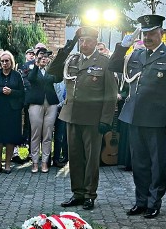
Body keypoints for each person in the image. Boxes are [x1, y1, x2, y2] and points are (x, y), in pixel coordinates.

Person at [109, 15, 166, 219]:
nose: (148, 37)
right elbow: (114, 66)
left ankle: (154, 202)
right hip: (135, 116)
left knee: (157, 163)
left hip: (158, 118)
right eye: (145, 34)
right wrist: (121, 47)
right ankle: (141, 200)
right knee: (139, 162)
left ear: (161, 32)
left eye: (152, 33)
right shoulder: (136, 54)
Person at [49, 27, 118, 211]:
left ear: (96, 42)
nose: (84, 44)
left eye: (87, 41)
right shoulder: (72, 60)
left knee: (91, 158)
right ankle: (77, 192)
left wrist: (106, 120)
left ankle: (90, 194)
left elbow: (111, 94)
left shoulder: (104, 62)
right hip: (71, 115)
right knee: (75, 157)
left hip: (93, 119)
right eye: (81, 41)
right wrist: (66, 48)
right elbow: (52, 72)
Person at [0, 51, 25, 174]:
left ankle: (8, 164)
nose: (4, 63)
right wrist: (0, 90)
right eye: (2, 61)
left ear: (11, 62)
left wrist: (11, 92)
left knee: (10, 137)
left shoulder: (17, 75)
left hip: (12, 110)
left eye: (7, 61)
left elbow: (22, 92)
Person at [26, 52, 59, 173]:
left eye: (46, 57)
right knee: (35, 134)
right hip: (35, 103)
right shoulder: (32, 69)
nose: (44, 59)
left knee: (48, 134)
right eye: (41, 57)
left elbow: (57, 78)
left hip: (51, 104)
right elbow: (31, 79)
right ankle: (35, 162)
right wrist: (36, 64)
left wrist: (52, 64)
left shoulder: (50, 71)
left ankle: (45, 162)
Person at [52, 80, 68, 167]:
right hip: (50, 109)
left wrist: (59, 106)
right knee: (47, 136)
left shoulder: (68, 80)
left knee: (59, 136)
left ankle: (56, 159)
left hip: (63, 109)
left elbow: (68, 96)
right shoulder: (52, 79)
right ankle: (46, 160)